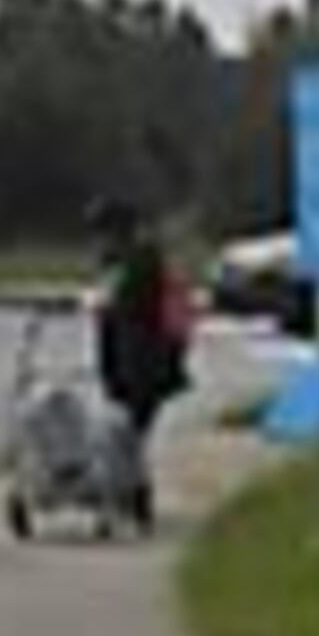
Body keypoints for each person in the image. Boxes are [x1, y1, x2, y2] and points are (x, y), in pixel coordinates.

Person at [90, 199, 191, 522]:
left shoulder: (143, 260)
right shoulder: (115, 260)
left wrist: (106, 302)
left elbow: (128, 304)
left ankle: (134, 494)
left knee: (132, 429)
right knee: (129, 431)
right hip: (122, 359)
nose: (100, 240)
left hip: (145, 359)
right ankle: (129, 491)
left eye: (104, 232)